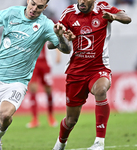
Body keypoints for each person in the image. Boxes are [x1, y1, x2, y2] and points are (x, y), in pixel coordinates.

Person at [0, 0, 72, 150]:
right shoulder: (12, 13)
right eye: (33, 4)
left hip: (18, 82)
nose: (34, 9)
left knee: (5, 116)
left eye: (40, 7)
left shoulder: (46, 25)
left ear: (46, 7)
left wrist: (60, 37)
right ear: (28, 1)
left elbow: (66, 49)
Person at [52, 0, 131, 150]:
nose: (81, 1)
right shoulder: (68, 13)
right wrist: (60, 35)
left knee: (101, 90)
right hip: (76, 73)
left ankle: (99, 143)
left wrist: (114, 17)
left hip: (99, 68)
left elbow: (127, 18)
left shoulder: (103, 9)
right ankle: (60, 143)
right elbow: (52, 44)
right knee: (71, 120)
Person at [26, 44, 61, 128]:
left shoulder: (45, 30)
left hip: (45, 64)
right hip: (33, 63)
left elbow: (54, 41)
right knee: (33, 89)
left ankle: (51, 117)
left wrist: (58, 53)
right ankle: (34, 119)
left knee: (48, 90)